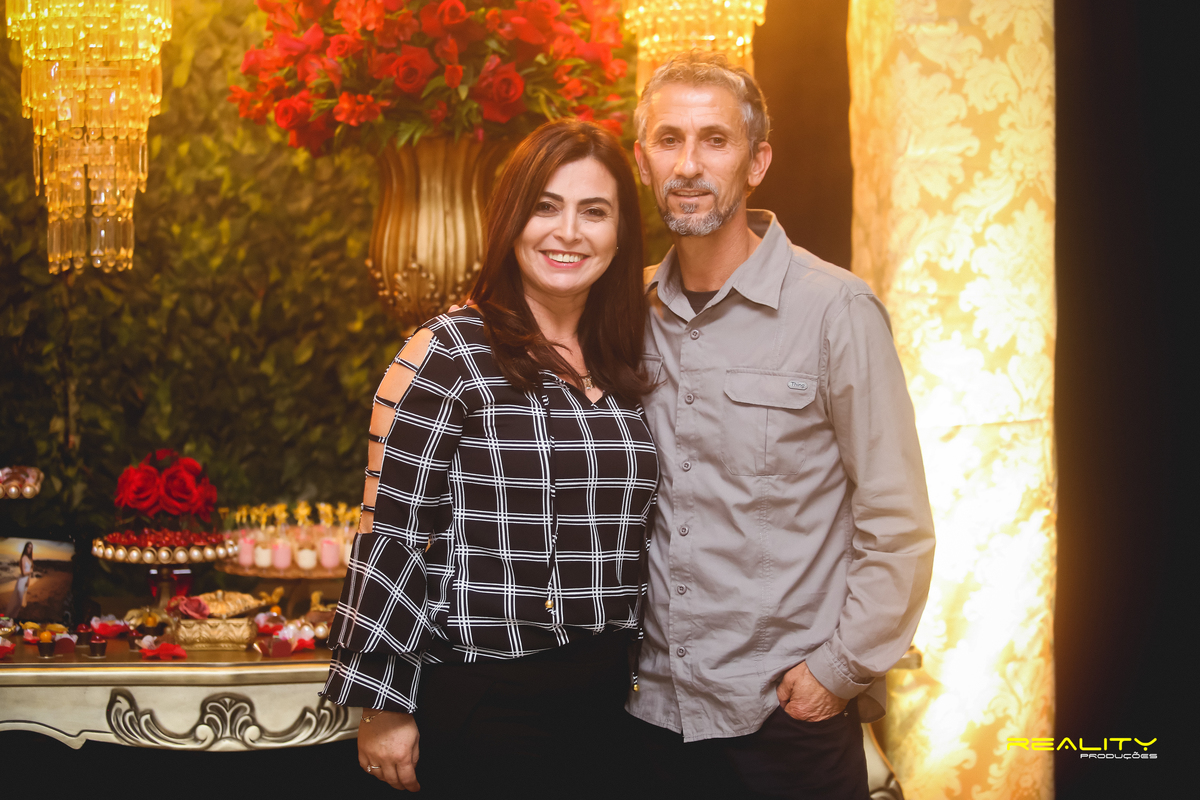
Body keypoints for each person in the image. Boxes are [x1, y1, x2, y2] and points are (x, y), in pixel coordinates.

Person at [625, 52, 936, 799]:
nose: (688, 165)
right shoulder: (625, 313)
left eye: (715, 140)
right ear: (641, 160)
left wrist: (837, 672)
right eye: (668, 140)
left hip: (784, 720)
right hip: (646, 716)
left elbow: (897, 521)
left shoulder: (835, 310)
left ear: (757, 162)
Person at [321, 119, 659, 797]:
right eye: (546, 207)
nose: (569, 232)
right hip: (486, 696)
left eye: (594, 211)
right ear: (510, 220)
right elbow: (392, 533)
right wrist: (383, 702)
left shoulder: (629, 357)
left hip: (609, 698)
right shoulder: (448, 352)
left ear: (621, 233)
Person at [4, 542, 33, 617]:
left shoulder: (29, 559)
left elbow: (28, 573)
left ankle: (13, 617)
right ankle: (9, 616)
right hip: (21, 582)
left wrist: (28, 581)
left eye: (31, 548)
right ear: (25, 548)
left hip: (25, 582)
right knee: (19, 602)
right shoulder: (23, 558)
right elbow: (23, 573)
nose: (29, 549)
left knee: (19, 604)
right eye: (28, 547)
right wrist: (30, 571)